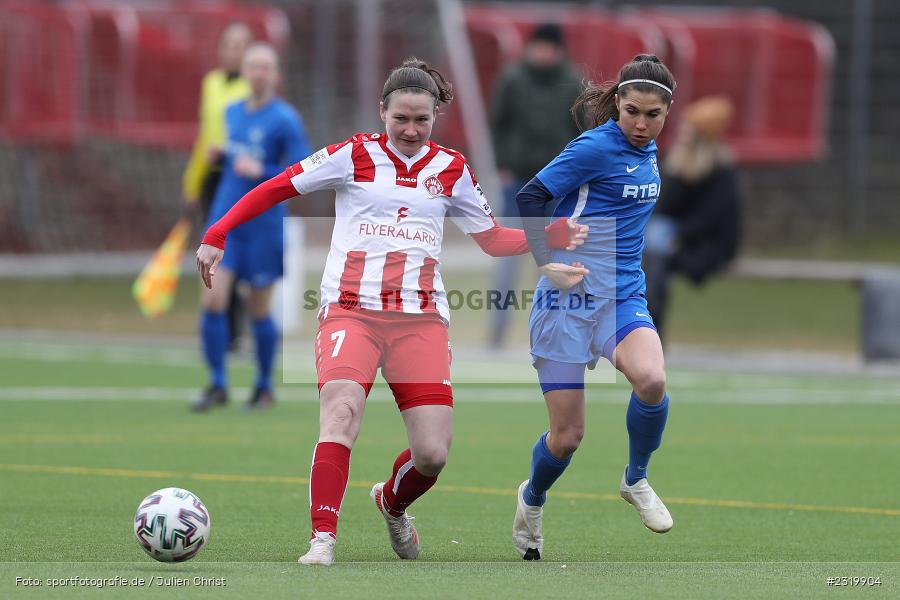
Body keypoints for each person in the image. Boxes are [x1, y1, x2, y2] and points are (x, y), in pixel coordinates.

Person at [195, 58, 587, 565]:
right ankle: (323, 539)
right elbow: (277, 187)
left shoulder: (451, 169)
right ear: (382, 111)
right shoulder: (351, 155)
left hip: (419, 320)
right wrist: (217, 232)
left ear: (434, 118)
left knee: (433, 454)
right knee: (340, 415)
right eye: (400, 118)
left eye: (420, 120)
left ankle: (392, 503)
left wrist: (547, 237)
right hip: (350, 312)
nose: (410, 129)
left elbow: (490, 238)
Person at [512, 54, 677, 560]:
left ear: (667, 113)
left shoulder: (647, 150)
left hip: (621, 296)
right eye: (632, 112)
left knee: (651, 380)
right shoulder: (595, 147)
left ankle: (636, 478)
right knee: (567, 437)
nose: (642, 124)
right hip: (567, 300)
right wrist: (546, 261)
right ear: (617, 106)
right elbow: (530, 196)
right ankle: (532, 499)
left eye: (653, 115)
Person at [191, 43, 312, 412]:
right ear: (244, 72)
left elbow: (302, 171)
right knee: (213, 300)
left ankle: (262, 386)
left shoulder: (286, 120)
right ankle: (218, 384)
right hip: (226, 222)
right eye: (252, 66)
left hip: (264, 227)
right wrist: (222, 156)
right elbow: (238, 155)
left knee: (259, 309)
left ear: (276, 75)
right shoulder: (232, 113)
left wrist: (261, 171)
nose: (258, 73)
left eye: (265, 67)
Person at [488, 22, 584, 347]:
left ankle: (553, 333)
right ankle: (497, 334)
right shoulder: (513, 79)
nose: (543, 53)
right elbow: (497, 125)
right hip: (516, 184)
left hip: (555, 190)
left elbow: (580, 132)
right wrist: (503, 165)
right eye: (539, 46)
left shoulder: (572, 83)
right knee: (507, 264)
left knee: (555, 261)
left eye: (549, 47)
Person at [642, 96, 741, 341]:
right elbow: (665, 209)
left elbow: (712, 219)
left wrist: (679, 236)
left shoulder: (721, 172)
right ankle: (645, 326)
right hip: (676, 239)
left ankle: (650, 328)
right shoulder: (680, 166)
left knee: (655, 246)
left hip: (707, 244)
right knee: (649, 241)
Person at [183, 23, 254, 352]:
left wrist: (230, 153)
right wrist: (192, 180)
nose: (234, 51)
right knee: (210, 250)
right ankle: (216, 327)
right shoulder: (210, 82)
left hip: (240, 177)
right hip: (213, 177)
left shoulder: (254, 88)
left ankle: (235, 330)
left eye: (241, 45)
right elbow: (203, 134)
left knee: (233, 252)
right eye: (229, 44)